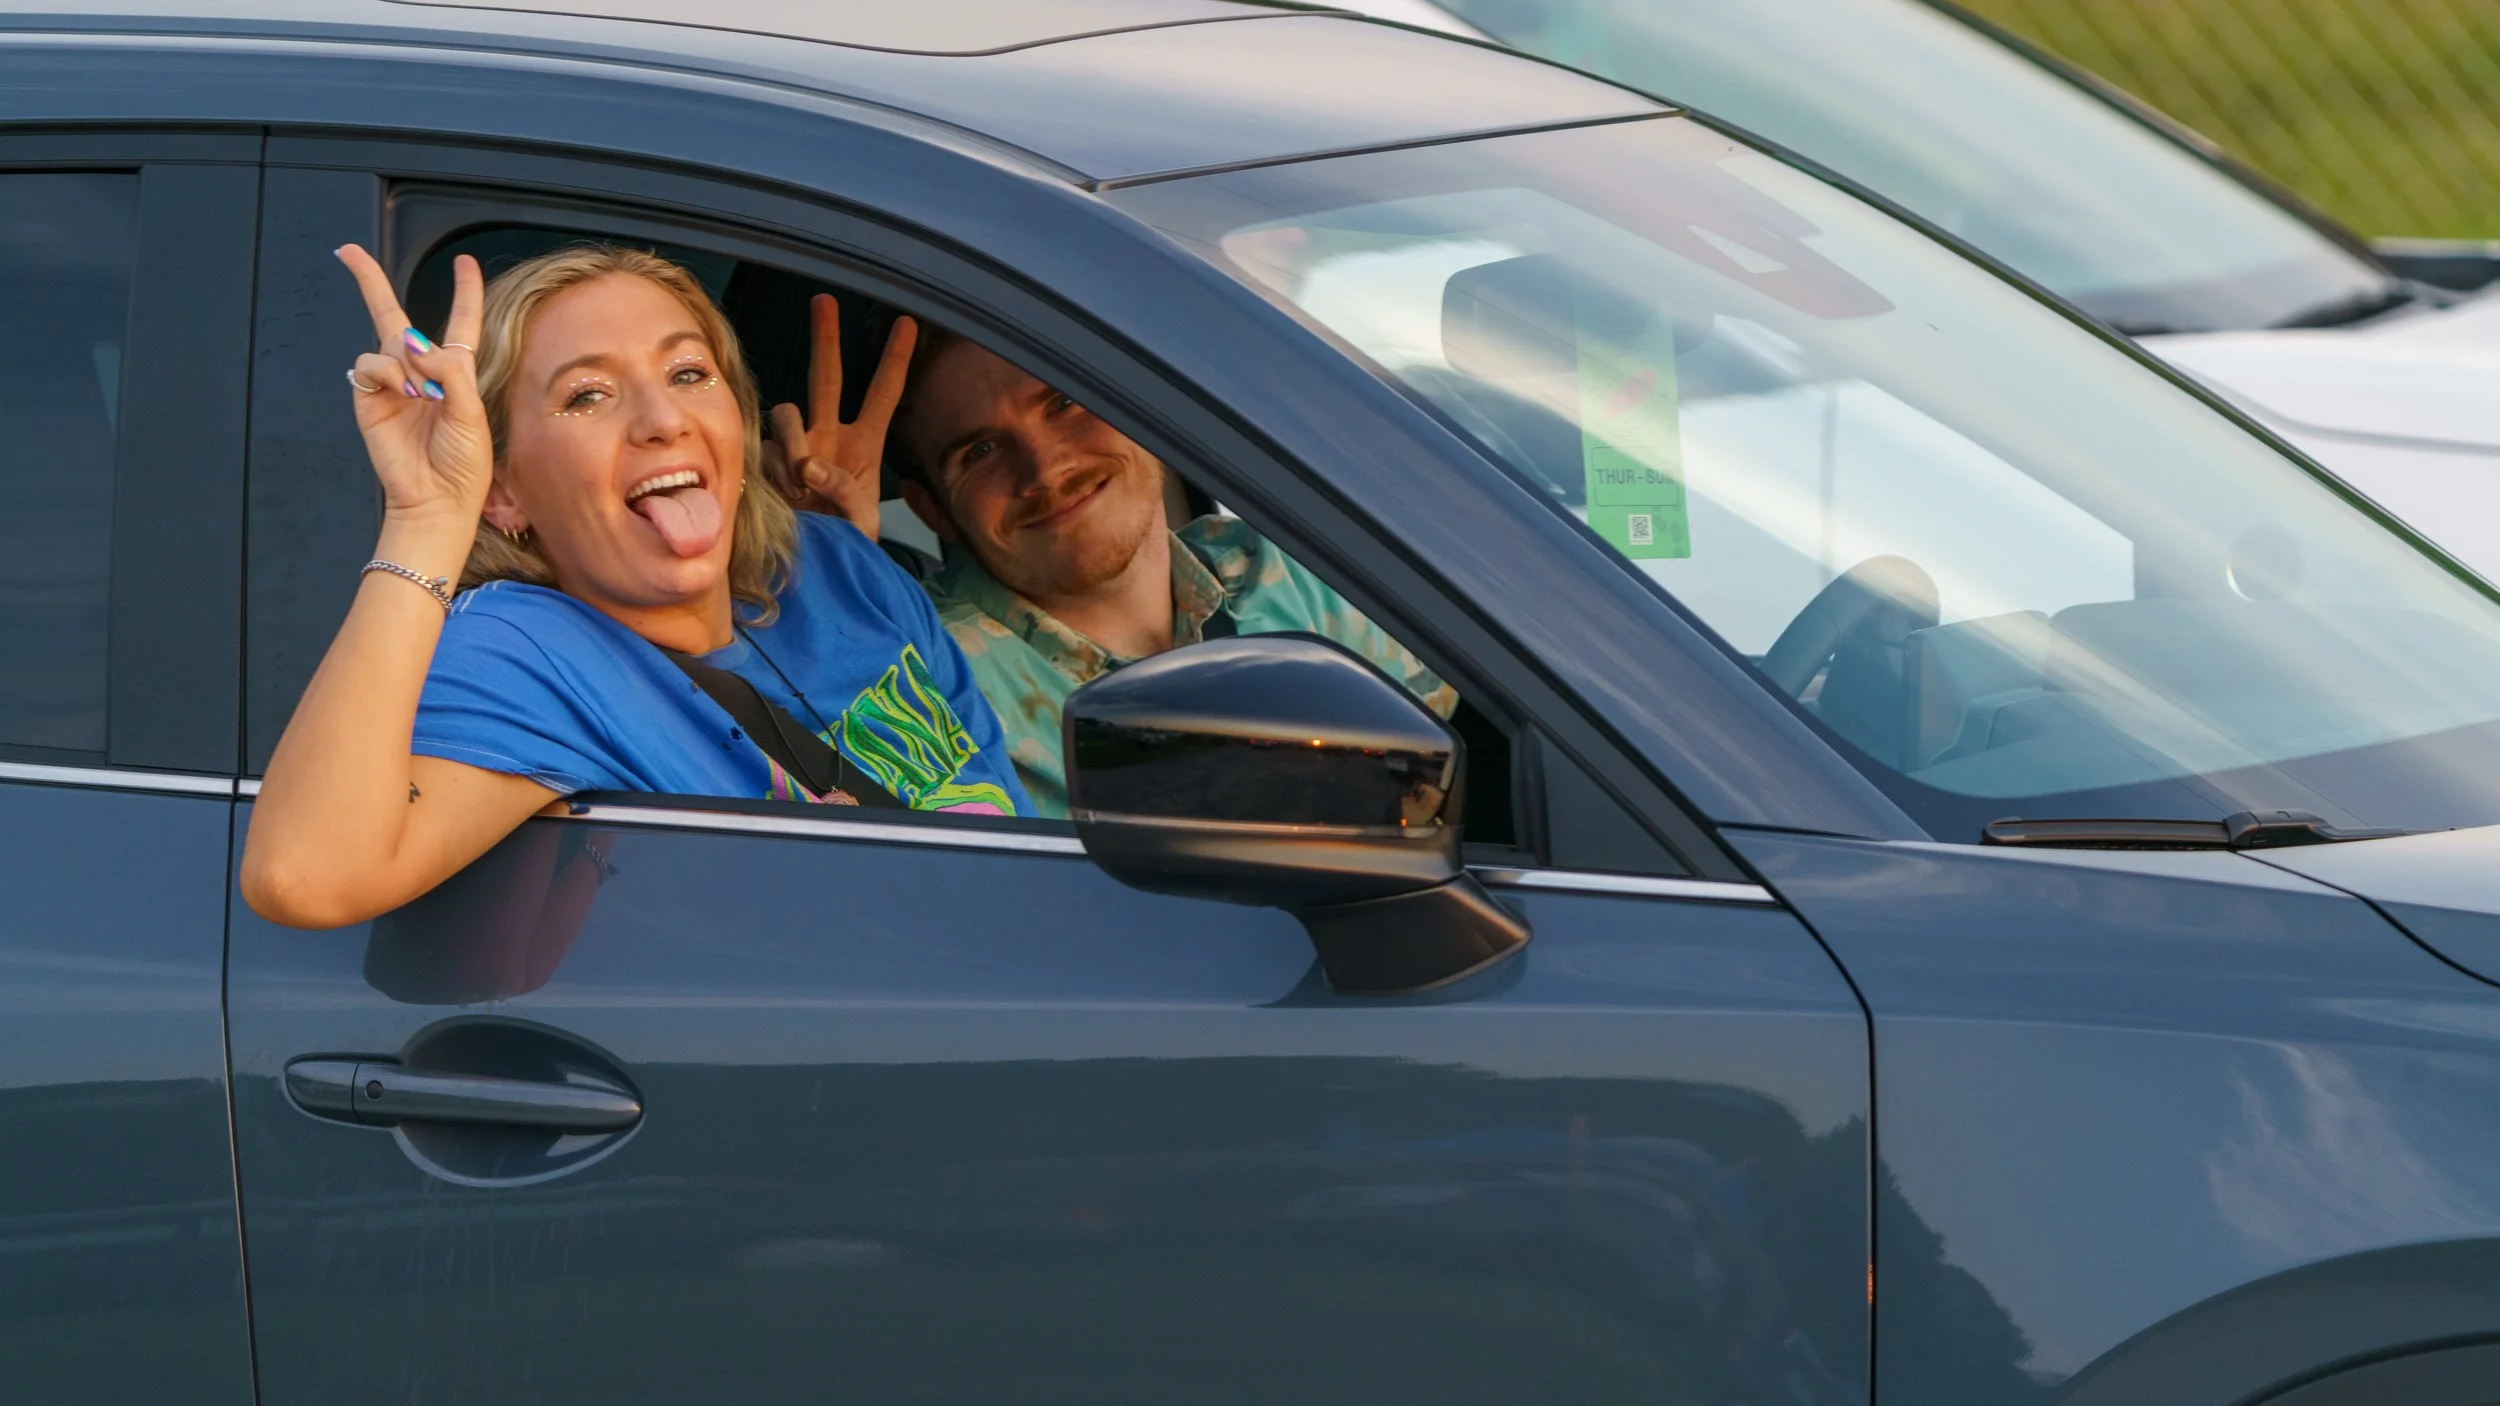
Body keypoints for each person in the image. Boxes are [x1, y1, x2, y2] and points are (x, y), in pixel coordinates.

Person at [241, 245, 1025, 930]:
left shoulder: (831, 566)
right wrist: (425, 515)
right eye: (588, 394)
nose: (662, 419)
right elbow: (305, 878)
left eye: (689, 373)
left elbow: (1022, 835)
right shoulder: (527, 649)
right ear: (505, 489)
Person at [772, 321, 1453, 818]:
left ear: (1139, 409)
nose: (1046, 470)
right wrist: (824, 574)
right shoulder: (927, 685)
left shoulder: (1288, 569)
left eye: (1063, 404)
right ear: (933, 510)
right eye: (979, 451)